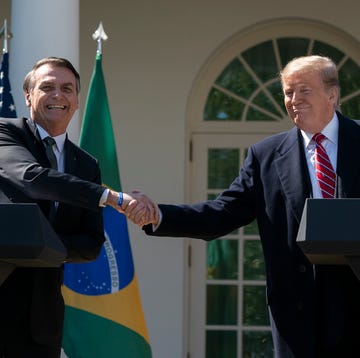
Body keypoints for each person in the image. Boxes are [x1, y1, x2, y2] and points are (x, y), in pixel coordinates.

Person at [125, 55, 360, 357]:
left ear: (332, 94)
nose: (293, 100)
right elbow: (222, 213)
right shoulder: (266, 156)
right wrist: (159, 215)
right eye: (288, 92)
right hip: (297, 315)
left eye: (304, 90)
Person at [0, 57, 152, 358]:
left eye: (67, 89)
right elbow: (32, 178)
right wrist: (112, 197)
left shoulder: (86, 164)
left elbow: (91, 244)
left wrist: (38, 246)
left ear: (77, 101)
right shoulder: (6, 133)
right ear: (28, 95)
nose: (58, 95)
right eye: (47, 87)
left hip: (42, 324)